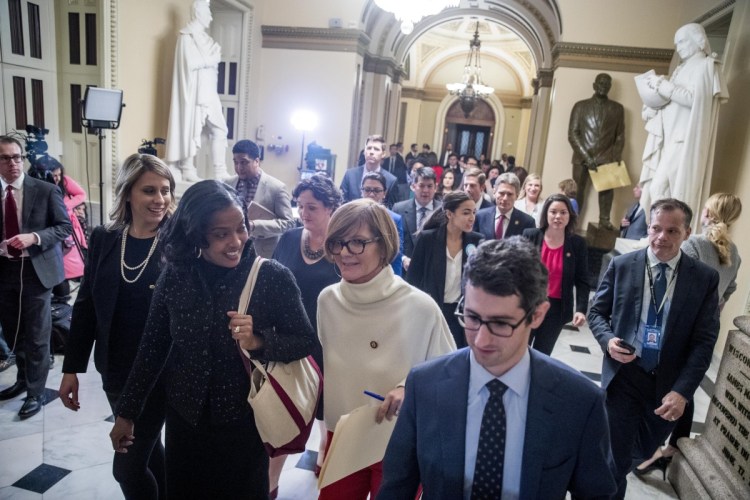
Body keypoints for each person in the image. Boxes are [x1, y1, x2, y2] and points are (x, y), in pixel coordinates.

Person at [109, 180, 315, 498]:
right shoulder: (176, 276)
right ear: (196, 235)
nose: (235, 241)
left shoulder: (271, 277)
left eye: (240, 229)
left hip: (245, 425)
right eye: (221, 234)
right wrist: (127, 413)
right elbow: (151, 349)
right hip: (185, 422)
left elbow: (304, 341)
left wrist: (259, 341)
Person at [378, 237, 617, 499]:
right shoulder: (425, 385)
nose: (480, 339)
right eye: (471, 317)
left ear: (537, 315)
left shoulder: (579, 402)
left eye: (501, 324)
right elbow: (397, 487)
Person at [317, 198, 456, 499]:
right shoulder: (327, 300)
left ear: (384, 244)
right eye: (337, 242)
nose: (343, 253)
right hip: (342, 434)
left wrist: (409, 386)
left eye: (357, 243)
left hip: (397, 440)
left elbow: (451, 373)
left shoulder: (419, 306)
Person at [59, 153, 175, 499]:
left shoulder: (178, 244)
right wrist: (71, 368)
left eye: (165, 190)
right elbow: (87, 306)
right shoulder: (105, 238)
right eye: (149, 191)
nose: (160, 200)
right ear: (128, 194)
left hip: (159, 372)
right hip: (115, 369)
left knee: (126, 465)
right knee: (149, 451)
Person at [588, 198, 720, 499]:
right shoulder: (622, 265)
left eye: (672, 231)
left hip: (667, 386)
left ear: (687, 233)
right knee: (616, 460)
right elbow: (597, 313)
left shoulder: (703, 279)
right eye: (656, 228)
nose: (662, 237)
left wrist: (683, 391)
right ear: (648, 227)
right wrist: (608, 340)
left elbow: (704, 341)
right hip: (625, 375)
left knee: (638, 453)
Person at [634, 193, 742, 479]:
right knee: (686, 384)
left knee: (675, 385)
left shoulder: (694, 245)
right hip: (705, 325)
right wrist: (712, 310)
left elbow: (677, 281)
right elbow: (727, 291)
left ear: (707, 213)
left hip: (677, 325)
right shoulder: (735, 252)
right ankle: (672, 446)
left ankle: (656, 446)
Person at [269, 174, 342, 497]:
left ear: (331, 208)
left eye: (311, 207)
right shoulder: (288, 239)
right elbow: (270, 283)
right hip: (290, 341)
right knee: (285, 416)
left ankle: (326, 465)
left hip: (330, 343)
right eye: (300, 206)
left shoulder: (342, 245)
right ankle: (269, 486)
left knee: (329, 415)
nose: (304, 213)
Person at [0, 135, 72, 420]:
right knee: (13, 329)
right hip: (4, 270)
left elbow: (64, 227)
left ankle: (36, 392)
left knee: (38, 334)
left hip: (35, 271)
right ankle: (22, 379)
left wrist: (35, 237)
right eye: (5, 158)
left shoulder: (43, 190)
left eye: (17, 157)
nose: (13, 163)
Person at [639, 24, 728, 224]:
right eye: (676, 43)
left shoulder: (705, 66)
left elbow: (694, 100)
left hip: (684, 138)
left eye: (682, 41)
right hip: (671, 136)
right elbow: (674, 102)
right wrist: (654, 101)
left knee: (665, 189)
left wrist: (663, 85)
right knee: (660, 189)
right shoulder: (681, 68)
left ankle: (666, 231)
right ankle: (661, 230)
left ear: (698, 40)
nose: (678, 47)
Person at [407, 191, 483, 348]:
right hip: (432, 310)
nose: (472, 218)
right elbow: (413, 279)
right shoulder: (428, 239)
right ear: (449, 214)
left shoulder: (477, 241)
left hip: (461, 314)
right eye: (466, 212)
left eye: (474, 212)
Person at [165, 0, 229, 181]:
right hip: (194, 91)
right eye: (207, 12)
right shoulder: (186, 37)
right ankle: (187, 167)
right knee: (190, 128)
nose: (210, 16)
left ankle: (219, 171)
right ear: (198, 13)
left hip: (209, 90)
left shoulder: (207, 40)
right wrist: (212, 59)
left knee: (220, 129)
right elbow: (189, 64)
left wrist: (213, 58)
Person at [522, 194, 589, 355]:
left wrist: (581, 309)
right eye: (553, 212)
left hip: (556, 309)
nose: (558, 216)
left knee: (542, 353)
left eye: (563, 212)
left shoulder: (577, 244)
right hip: (529, 304)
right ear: (546, 214)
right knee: (519, 349)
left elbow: (582, 280)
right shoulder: (531, 235)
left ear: (569, 216)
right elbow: (517, 271)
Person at [568, 73, 625, 230]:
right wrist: (586, 156)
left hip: (607, 156)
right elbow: (573, 133)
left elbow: (620, 136)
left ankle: (604, 219)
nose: (603, 87)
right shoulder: (580, 106)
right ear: (594, 85)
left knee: (607, 192)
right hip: (582, 157)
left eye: (607, 84)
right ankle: (572, 220)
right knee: (577, 191)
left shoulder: (617, 109)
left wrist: (615, 157)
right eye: (601, 83)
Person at [225, 139, 295, 258]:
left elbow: (288, 224)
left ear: (257, 161)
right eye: (235, 162)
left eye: (244, 162)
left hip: (262, 253)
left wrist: (254, 225)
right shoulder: (228, 183)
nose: (238, 167)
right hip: (232, 250)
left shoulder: (277, 188)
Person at [38, 156, 88, 302]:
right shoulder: (37, 184)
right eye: (54, 175)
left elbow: (81, 194)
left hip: (67, 231)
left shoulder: (64, 180)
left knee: (68, 264)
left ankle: (64, 301)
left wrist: (65, 207)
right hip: (48, 229)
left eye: (59, 174)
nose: (58, 178)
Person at [392, 166, 440, 272]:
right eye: (421, 186)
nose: (425, 190)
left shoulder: (443, 211)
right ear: (413, 186)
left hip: (432, 271)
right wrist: (403, 259)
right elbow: (392, 241)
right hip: (405, 270)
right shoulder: (398, 209)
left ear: (435, 188)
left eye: (430, 186)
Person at [361, 171, 404, 276]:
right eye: (367, 190)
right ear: (361, 191)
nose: (371, 194)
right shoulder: (351, 216)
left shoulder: (394, 219)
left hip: (382, 275)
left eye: (376, 191)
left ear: (384, 193)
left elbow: (396, 256)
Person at [474, 172, 535, 241]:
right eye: (501, 193)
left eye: (510, 194)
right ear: (494, 192)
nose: (505, 198)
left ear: (517, 196)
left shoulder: (527, 222)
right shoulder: (480, 216)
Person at [340, 135, 398, 205]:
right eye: (369, 148)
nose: (371, 152)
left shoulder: (391, 180)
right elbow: (341, 203)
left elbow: (391, 209)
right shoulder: (350, 175)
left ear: (383, 154)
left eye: (376, 149)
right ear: (364, 152)